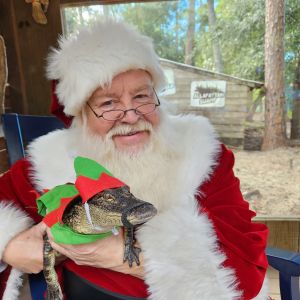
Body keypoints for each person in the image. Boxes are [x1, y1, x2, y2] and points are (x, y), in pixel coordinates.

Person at [0, 19, 269, 300]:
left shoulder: (201, 156)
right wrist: (10, 246)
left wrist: (122, 255)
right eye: (108, 103)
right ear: (80, 115)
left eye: (141, 96)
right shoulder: (49, 162)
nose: (131, 115)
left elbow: (245, 274)